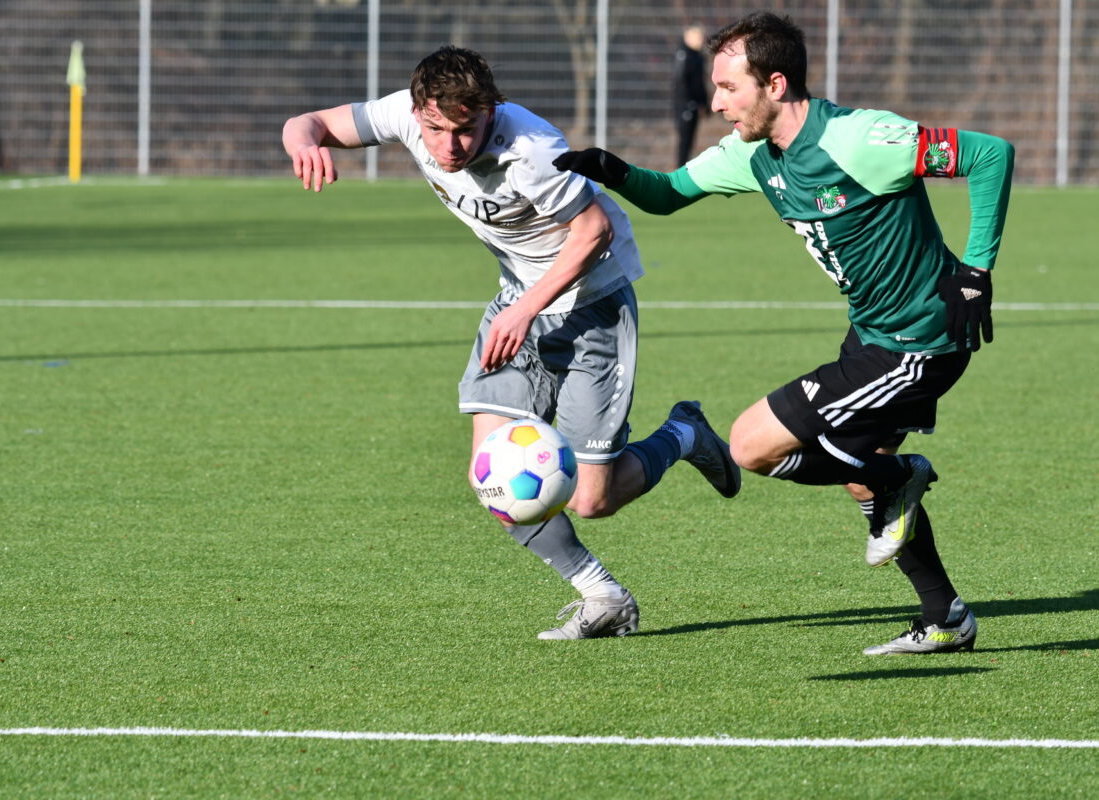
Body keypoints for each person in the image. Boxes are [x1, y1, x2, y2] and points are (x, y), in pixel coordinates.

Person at [554, 13, 1014, 654]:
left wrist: (975, 272)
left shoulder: (861, 139)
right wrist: (611, 168)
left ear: (775, 84)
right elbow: (669, 193)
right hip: (872, 334)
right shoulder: (751, 154)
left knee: (750, 446)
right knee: (861, 473)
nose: (716, 103)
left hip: (919, 341)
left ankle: (899, 481)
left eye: (728, 88)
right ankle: (946, 616)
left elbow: (989, 155)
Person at [282, 46, 740, 641]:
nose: (449, 147)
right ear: (418, 112)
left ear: (490, 113)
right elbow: (310, 122)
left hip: (593, 306)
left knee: (593, 500)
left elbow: (594, 230)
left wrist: (526, 310)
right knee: (493, 476)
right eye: (436, 130)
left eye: (465, 131)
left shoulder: (532, 150)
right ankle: (602, 595)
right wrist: (302, 142)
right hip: (519, 304)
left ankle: (684, 434)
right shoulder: (406, 113)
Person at [674, 25, 709, 167]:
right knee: (684, 140)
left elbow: (700, 83)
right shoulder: (684, 55)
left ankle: (684, 168)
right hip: (685, 106)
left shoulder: (698, 56)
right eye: (698, 37)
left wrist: (704, 102)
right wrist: (687, 103)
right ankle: (680, 170)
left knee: (690, 141)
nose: (701, 41)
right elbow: (681, 81)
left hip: (694, 105)